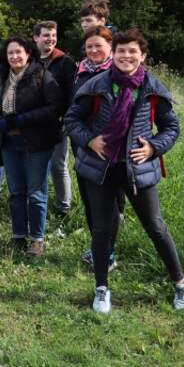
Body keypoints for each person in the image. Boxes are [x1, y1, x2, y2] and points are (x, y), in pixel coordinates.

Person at [65, 29, 184, 313]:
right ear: (114, 54)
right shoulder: (96, 85)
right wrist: (89, 139)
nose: (126, 56)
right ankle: (101, 289)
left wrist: (153, 148)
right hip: (102, 169)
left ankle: (181, 283)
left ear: (142, 56)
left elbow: (171, 127)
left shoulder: (152, 88)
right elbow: (72, 120)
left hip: (138, 168)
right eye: (121, 51)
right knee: (101, 230)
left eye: (132, 51)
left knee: (156, 227)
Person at [0, 36, 62, 256]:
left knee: (36, 192)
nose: (15, 56)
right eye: (10, 53)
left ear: (28, 53)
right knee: (16, 192)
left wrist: (25, 119)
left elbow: (54, 107)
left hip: (37, 142)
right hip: (9, 142)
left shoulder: (42, 76)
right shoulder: (2, 78)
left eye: (18, 52)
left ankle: (37, 239)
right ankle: (19, 236)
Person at [73, 26, 119, 271]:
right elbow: (74, 112)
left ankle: (109, 253)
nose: (93, 50)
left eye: (98, 45)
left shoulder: (118, 72)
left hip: (112, 150)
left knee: (110, 205)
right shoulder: (81, 71)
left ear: (110, 46)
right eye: (89, 46)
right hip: (85, 146)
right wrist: (86, 139)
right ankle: (98, 248)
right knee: (91, 203)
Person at [33, 21, 77, 218]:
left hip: (57, 122)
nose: (50, 39)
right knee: (36, 165)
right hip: (33, 122)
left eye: (53, 35)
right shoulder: (30, 59)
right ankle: (36, 201)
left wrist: (66, 119)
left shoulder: (64, 61)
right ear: (36, 38)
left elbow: (71, 94)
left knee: (58, 165)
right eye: (45, 35)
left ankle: (63, 207)